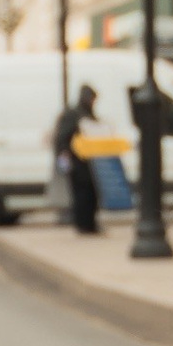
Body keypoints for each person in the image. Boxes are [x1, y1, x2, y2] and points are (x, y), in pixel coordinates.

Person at [53, 84, 100, 235]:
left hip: (89, 160)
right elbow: (62, 139)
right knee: (81, 194)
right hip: (77, 161)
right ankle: (83, 224)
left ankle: (89, 224)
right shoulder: (74, 114)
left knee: (90, 193)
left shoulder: (83, 113)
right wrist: (64, 159)